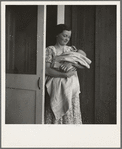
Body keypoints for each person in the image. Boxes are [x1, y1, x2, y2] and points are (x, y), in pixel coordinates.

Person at [45, 24, 91, 124]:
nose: (67, 39)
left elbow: (84, 64)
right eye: (64, 36)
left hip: (71, 88)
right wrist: (64, 75)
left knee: (70, 113)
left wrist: (69, 62)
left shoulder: (71, 50)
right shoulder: (50, 50)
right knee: (57, 112)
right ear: (57, 35)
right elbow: (47, 70)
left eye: (69, 37)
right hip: (57, 87)